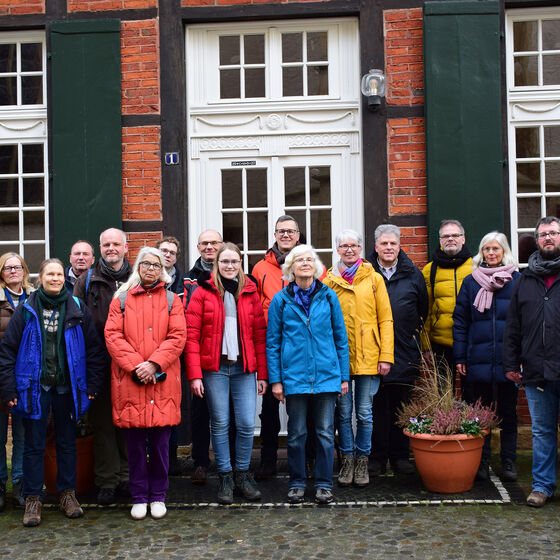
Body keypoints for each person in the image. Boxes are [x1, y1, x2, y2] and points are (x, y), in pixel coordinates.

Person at [0, 258, 105, 527]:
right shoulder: (26, 309)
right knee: (34, 445)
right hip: (35, 388)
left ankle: (67, 495)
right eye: (50, 274)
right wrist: (9, 388)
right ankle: (33, 498)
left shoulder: (76, 308)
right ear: (41, 278)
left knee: (67, 442)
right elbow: (8, 352)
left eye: (59, 274)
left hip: (67, 389)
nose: (56, 278)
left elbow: (94, 349)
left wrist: (92, 385)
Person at [105, 247, 186, 520]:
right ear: (138, 266)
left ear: (162, 269)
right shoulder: (121, 299)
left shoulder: (173, 300)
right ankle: (139, 495)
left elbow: (177, 337)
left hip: (162, 381)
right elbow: (113, 336)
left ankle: (158, 495)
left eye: (156, 264)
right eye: (146, 263)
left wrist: (153, 364)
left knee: (161, 446)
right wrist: (137, 367)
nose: (150, 268)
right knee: (136, 446)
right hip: (131, 381)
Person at [185, 242, 267, 505]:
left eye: (234, 261)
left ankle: (242, 473)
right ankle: (225, 476)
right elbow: (191, 337)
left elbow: (259, 336)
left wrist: (263, 374)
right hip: (215, 369)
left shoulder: (250, 291)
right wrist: (195, 375)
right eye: (224, 262)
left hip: (244, 369)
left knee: (245, 424)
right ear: (216, 264)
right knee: (219, 424)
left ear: (240, 263)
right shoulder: (202, 292)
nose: (229, 266)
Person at [267, 244, 350, 504]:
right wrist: (276, 380)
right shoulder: (281, 300)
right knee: (296, 433)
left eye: (309, 259)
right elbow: (273, 343)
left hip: (326, 375)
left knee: (326, 432)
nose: (305, 263)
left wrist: (343, 376)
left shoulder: (329, 297)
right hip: (294, 378)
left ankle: (324, 483)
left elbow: (340, 338)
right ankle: (297, 482)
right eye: (299, 260)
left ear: (316, 266)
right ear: (290, 268)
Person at [252, 215, 323, 479]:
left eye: (290, 231)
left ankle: (310, 460)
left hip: (303, 347)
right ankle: (268, 460)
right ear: (274, 234)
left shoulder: (312, 264)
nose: (285, 235)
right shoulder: (260, 268)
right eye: (281, 231)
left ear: (298, 234)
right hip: (273, 343)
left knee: (308, 407)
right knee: (270, 406)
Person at [324, 230, 393, 488]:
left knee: (364, 413)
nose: (349, 250)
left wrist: (385, 356)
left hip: (369, 357)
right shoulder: (329, 281)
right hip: (340, 360)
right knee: (343, 414)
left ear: (361, 249)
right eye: (344, 246)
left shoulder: (374, 279)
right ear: (337, 250)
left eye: (353, 245)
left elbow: (385, 319)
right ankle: (347, 461)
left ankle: (362, 459)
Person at [453, 231, 520, 483]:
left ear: (504, 252)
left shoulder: (516, 281)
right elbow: (460, 321)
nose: (491, 254)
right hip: (477, 358)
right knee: (480, 414)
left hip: (508, 360)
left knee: (508, 412)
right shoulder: (471, 282)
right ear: (481, 253)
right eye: (487, 249)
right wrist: (460, 355)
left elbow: (524, 323)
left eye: (496, 249)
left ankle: (509, 461)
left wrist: (520, 356)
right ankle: (482, 462)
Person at [503, 216, 560, 507]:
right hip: (536, 370)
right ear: (536, 241)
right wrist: (511, 364)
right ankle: (542, 486)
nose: (548, 238)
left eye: (553, 233)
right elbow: (513, 326)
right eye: (543, 235)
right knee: (542, 431)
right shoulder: (525, 280)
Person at [73, 228, 132, 505]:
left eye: (116, 244)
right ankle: (107, 481)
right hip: (98, 362)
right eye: (106, 244)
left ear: (125, 247)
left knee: (128, 423)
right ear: (101, 248)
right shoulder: (86, 281)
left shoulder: (137, 278)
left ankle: (126, 477)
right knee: (104, 424)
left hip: (131, 363)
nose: (111, 248)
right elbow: (76, 323)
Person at [368, 224, 428, 476]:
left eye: (393, 243)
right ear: (376, 247)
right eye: (384, 243)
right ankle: (377, 457)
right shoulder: (366, 272)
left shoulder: (413, 275)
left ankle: (401, 456)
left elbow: (422, 311)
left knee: (402, 406)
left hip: (404, 350)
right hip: (373, 352)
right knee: (375, 408)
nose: (389, 248)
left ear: (399, 245)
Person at [183, 229, 223, 485]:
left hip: (229, 356)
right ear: (198, 247)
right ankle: (200, 461)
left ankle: (226, 461)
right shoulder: (189, 279)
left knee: (227, 413)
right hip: (201, 352)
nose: (210, 247)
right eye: (205, 243)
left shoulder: (235, 273)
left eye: (214, 243)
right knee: (200, 413)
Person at [0, 253, 34, 510]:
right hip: (1, 372)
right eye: (7, 268)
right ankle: (1, 484)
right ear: (1, 273)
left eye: (17, 267)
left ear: (24, 270)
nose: (13, 271)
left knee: (23, 433)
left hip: (27, 376)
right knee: (0, 434)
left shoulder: (34, 297)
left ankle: (20, 484)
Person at [422, 219, 472, 384]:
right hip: (440, 342)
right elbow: (426, 309)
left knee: (471, 397)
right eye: (446, 236)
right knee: (443, 395)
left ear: (463, 239)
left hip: (470, 341)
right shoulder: (430, 270)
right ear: (440, 241)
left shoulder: (476, 266)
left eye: (455, 235)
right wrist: (426, 345)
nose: (450, 239)